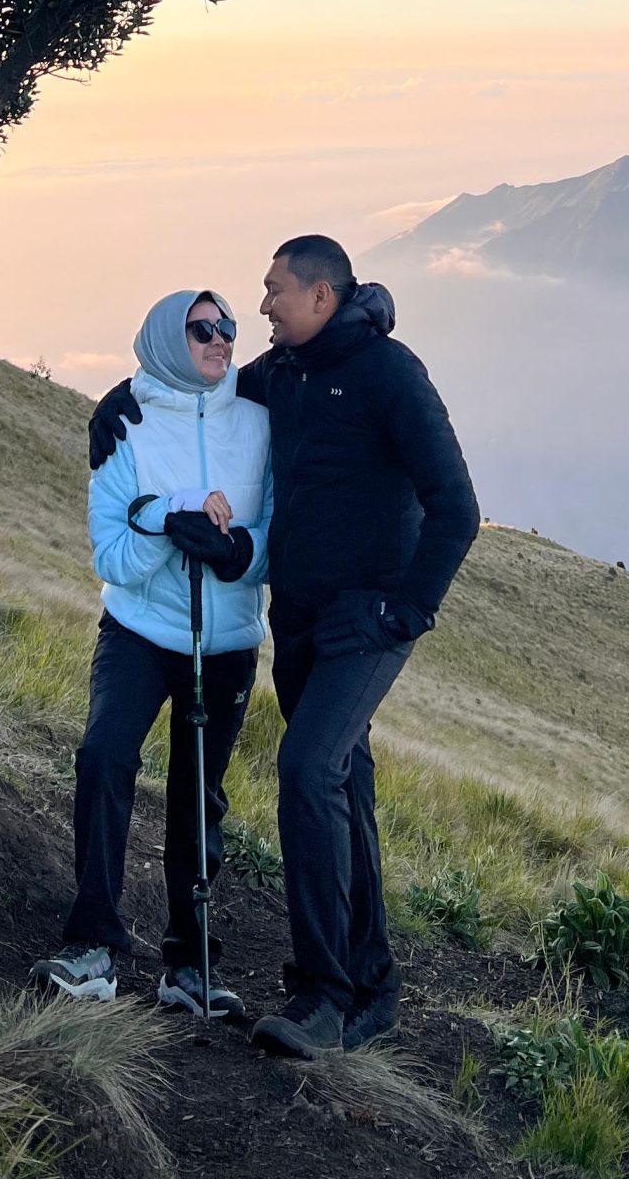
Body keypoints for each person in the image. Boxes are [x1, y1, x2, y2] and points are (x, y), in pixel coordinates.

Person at [88, 235, 479, 1058]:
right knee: (343, 786)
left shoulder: (391, 374)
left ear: (321, 296)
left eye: (273, 292)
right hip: (300, 619)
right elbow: (198, 386)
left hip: (366, 623)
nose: (258, 308)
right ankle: (373, 988)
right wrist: (118, 399)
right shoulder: (284, 372)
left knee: (305, 770)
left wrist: (405, 612)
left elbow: (456, 507)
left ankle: (324, 995)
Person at [32, 288, 271, 1019]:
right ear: (170, 338)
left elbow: (278, 536)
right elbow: (110, 554)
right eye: (202, 328)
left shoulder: (258, 419)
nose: (220, 339)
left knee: (199, 794)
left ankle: (190, 964)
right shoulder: (125, 422)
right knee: (104, 757)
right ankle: (93, 947)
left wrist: (236, 552)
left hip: (224, 642)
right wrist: (169, 523)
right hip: (137, 632)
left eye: (228, 327)